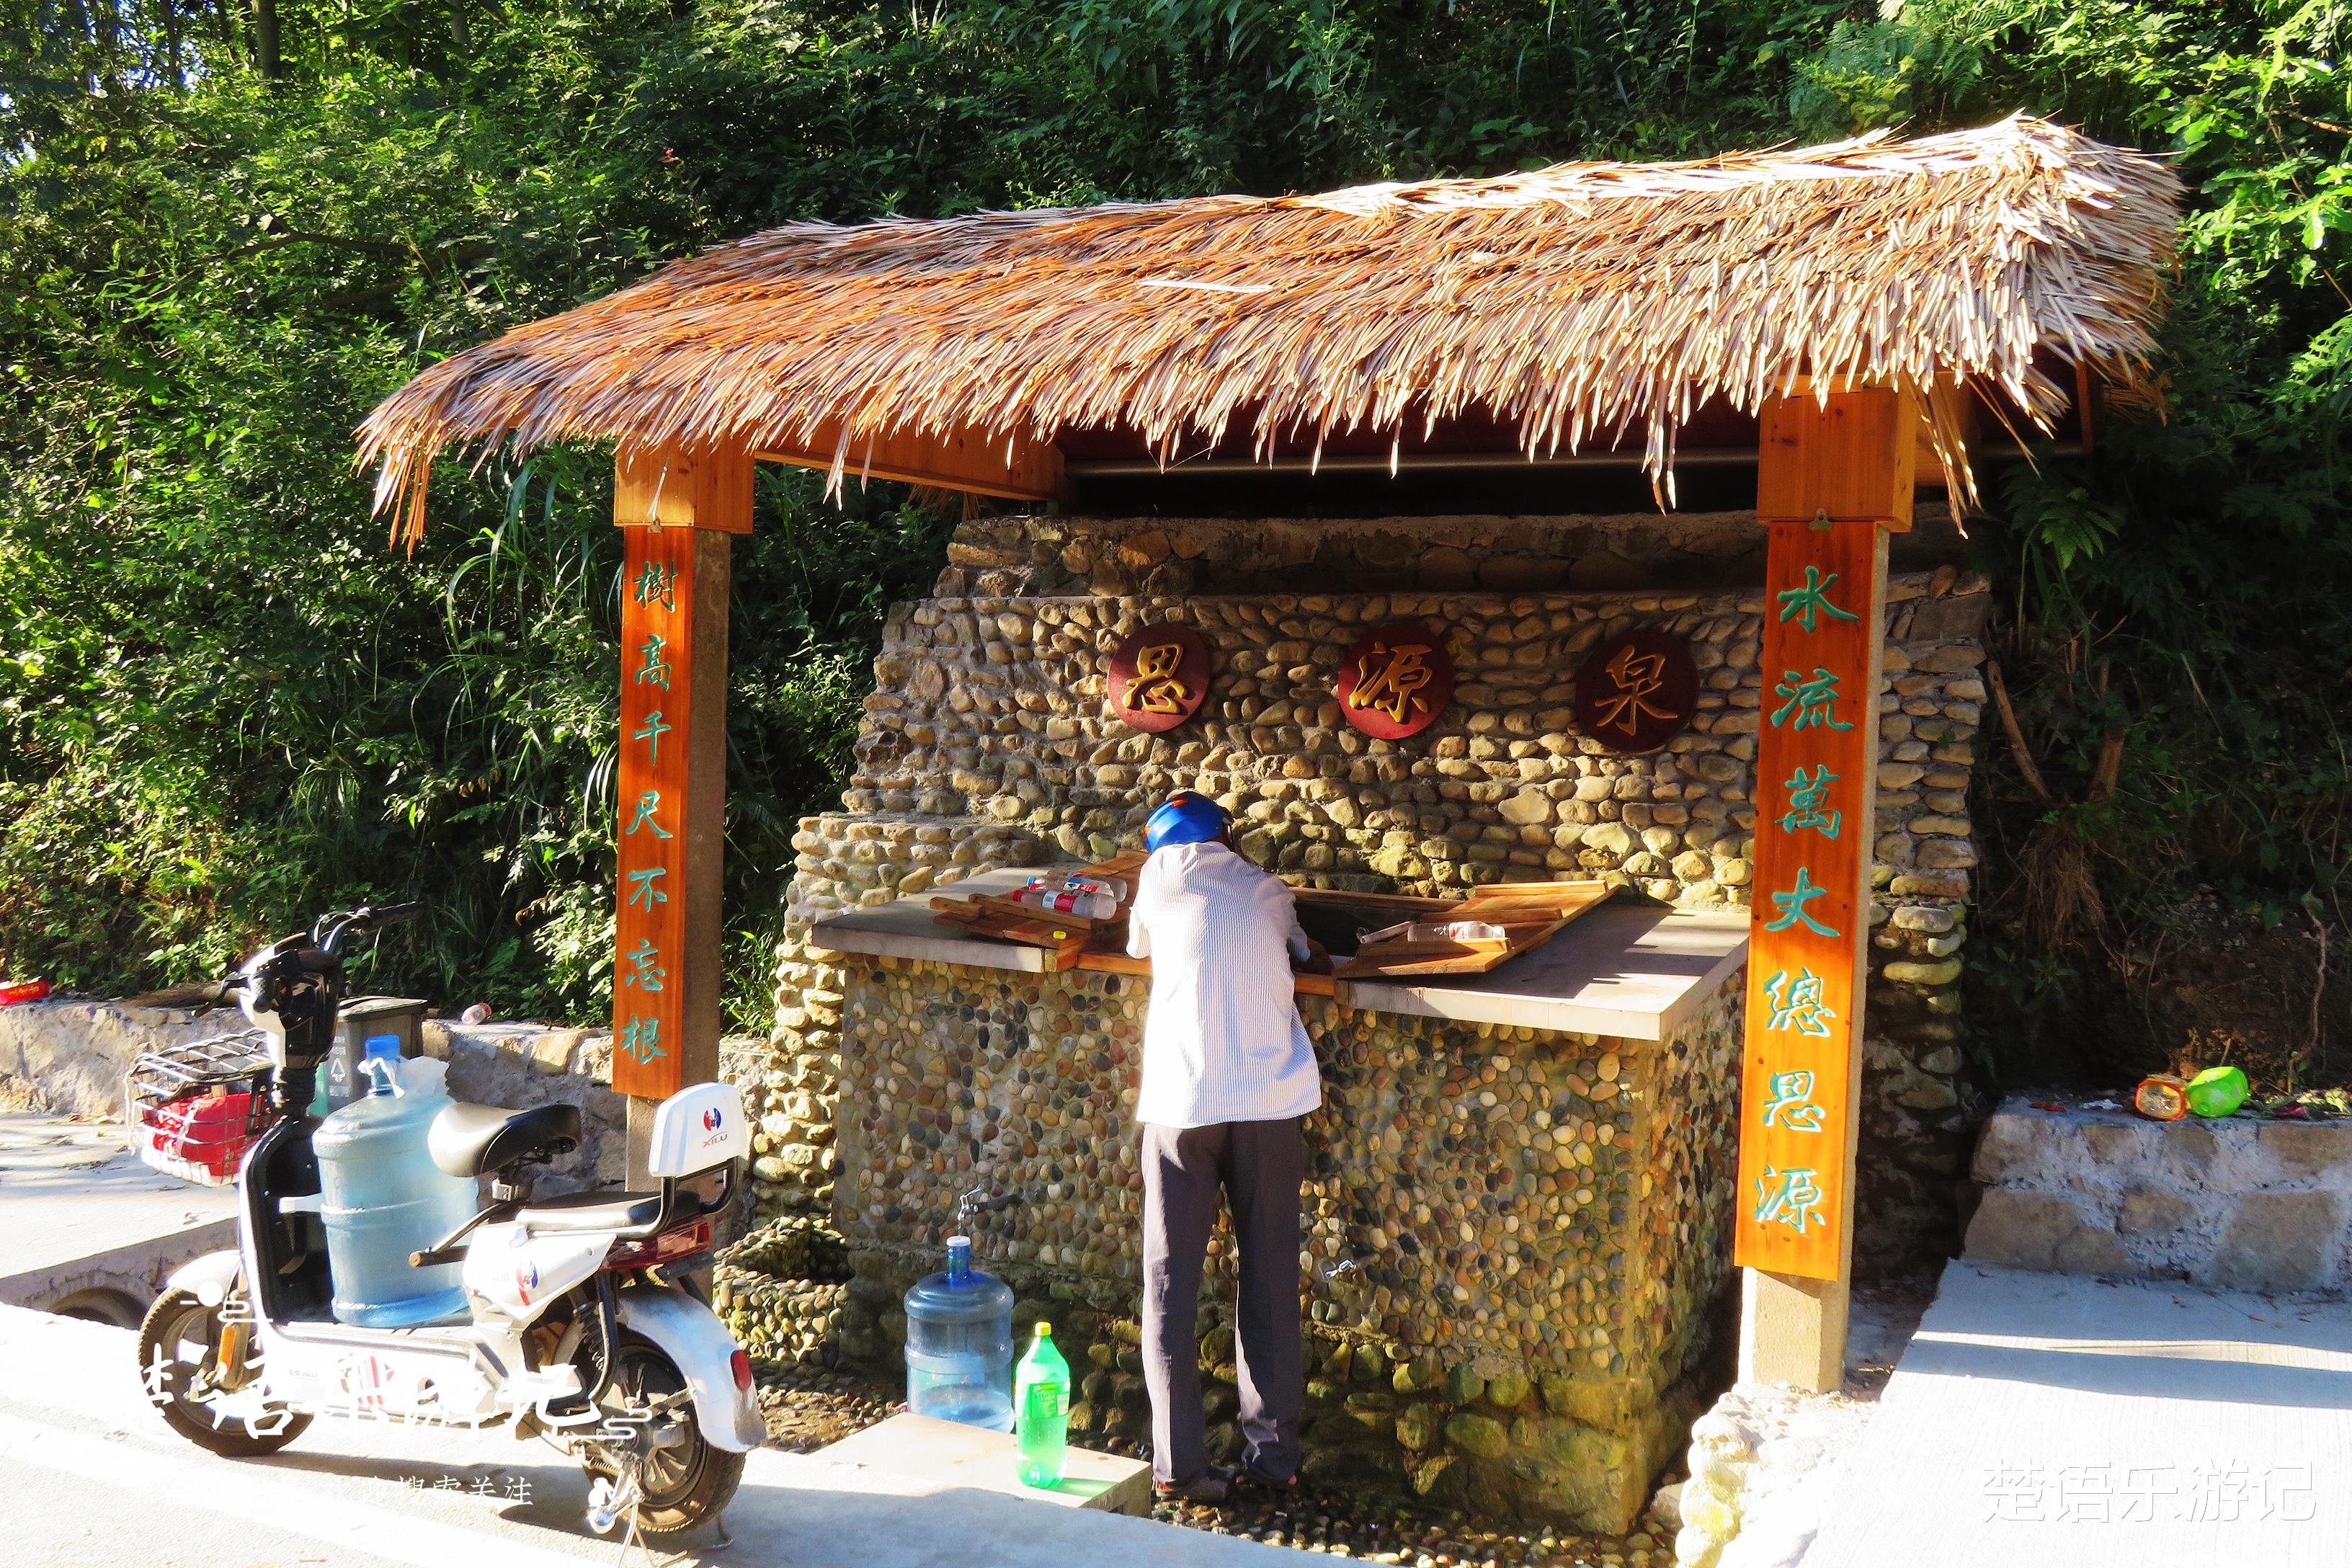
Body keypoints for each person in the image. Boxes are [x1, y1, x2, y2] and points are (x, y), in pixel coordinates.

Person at [1125, 789, 1331, 1503]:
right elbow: (1304, 949)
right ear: (1228, 836)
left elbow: (1136, 946)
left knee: (1170, 1282)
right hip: (1270, 1102)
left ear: (1160, 844)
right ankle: (1275, 1462)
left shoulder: (1155, 880)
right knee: (1270, 1278)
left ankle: (1179, 1468)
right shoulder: (1267, 889)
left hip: (1183, 1105)